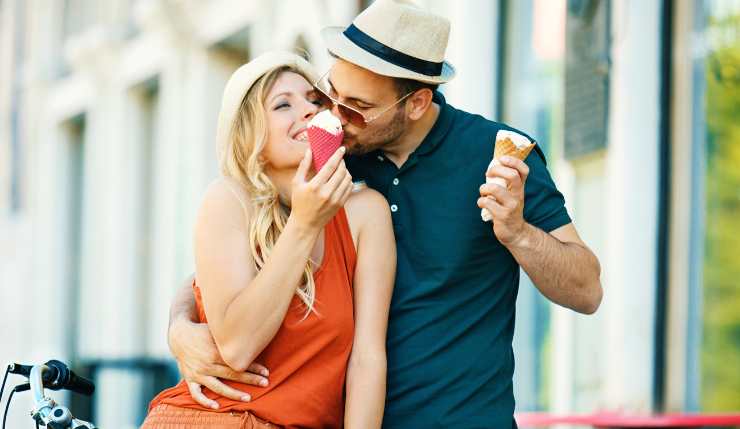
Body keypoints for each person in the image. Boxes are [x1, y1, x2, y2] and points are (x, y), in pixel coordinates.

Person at [168, 1, 603, 427]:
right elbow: (235, 262)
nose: (333, 116)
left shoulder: (493, 155)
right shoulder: (331, 161)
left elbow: (586, 291)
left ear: (415, 103)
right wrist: (181, 326)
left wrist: (517, 232)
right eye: (330, 94)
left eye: (356, 106)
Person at [141, 51, 396, 428]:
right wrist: (305, 224)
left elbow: (367, 358)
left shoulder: (364, 211)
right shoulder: (227, 201)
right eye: (282, 105)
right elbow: (239, 347)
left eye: (314, 100)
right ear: (251, 137)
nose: (308, 111)